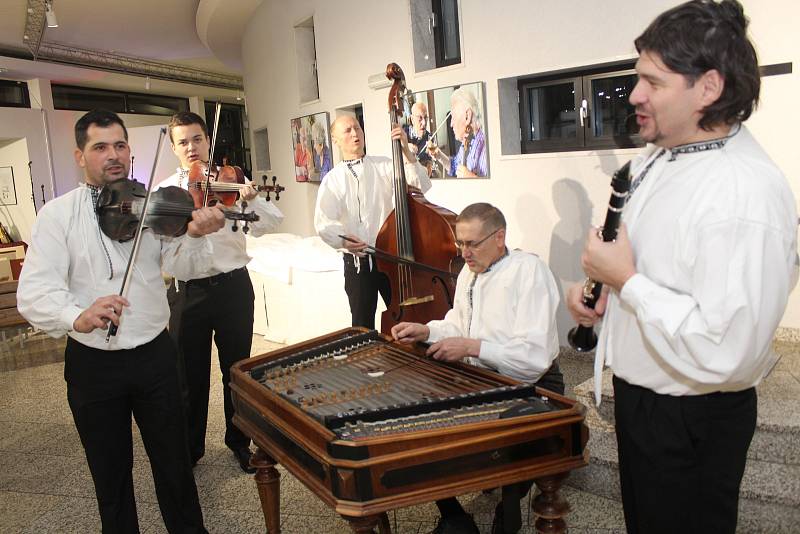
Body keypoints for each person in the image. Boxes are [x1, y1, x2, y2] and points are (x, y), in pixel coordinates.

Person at [566, 2, 798, 533]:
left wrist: (628, 281)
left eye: (652, 81)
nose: (634, 95)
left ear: (709, 87)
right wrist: (607, 293)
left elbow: (729, 351)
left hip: (691, 419)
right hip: (646, 405)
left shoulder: (744, 194)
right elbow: (660, 273)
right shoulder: (657, 158)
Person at [17, 109, 225, 533]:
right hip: (94, 364)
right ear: (80, 156)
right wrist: (77, 314)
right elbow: (34, 292)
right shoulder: (57, 217)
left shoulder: (154, 206)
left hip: (155, 356)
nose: (113, 155)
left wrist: (197, 235)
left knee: (175, 467)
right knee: (110, 477)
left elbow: (181, 265)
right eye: (100, 147)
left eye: (120, 145)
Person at [391, 202, 562, 534]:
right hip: (482, 379)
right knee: (418, 424)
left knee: (508, 440)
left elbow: (535, 357)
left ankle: (507, 511)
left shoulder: (529, 271)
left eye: (472, 243)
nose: (464, 252)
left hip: (535, 384)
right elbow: (460, 323)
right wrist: (428, 330)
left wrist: (471, 347)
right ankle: (455, 516)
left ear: (500, 238)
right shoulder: (470, 271)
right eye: (460, 243)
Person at [159, 111, 284, 474]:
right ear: (173, 147)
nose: (192, 147)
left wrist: (252, 198)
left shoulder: (230, 182)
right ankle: (190, 447)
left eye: (197, 139)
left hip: (232, 288)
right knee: (188, 376)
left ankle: (239, 442)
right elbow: (165, 252)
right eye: (183, 141)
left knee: (238, 371)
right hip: (187, 293)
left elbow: (269, 224)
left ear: (208, 141)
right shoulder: (166, 193)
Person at [314, 115, 432, 329]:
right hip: (358, 264)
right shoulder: (332, 179)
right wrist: (343, 241)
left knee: (404, 320)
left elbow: (420, 186)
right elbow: (323, 222)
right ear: (336, 139)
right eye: (347, 130)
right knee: (362, 326)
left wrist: (405, 150)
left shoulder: (385, 165)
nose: (354, 134)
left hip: (390, 258)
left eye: (357, 128)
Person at [428, 87, 488, 178]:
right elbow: (455, 167)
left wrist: (471, 178)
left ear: (467, 116)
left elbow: (498, 188)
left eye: (453, 116)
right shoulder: (468, 141)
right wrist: (439, 155)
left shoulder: (486, 146)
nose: (451, 124)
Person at [405, 101, 435, 176]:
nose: (424, 123)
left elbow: (430, 161)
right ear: (412, 119)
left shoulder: (430, 137)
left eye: (425, 118)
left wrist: (430, 163)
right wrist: (406, 147)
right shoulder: (404, 134)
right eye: (420, 118)